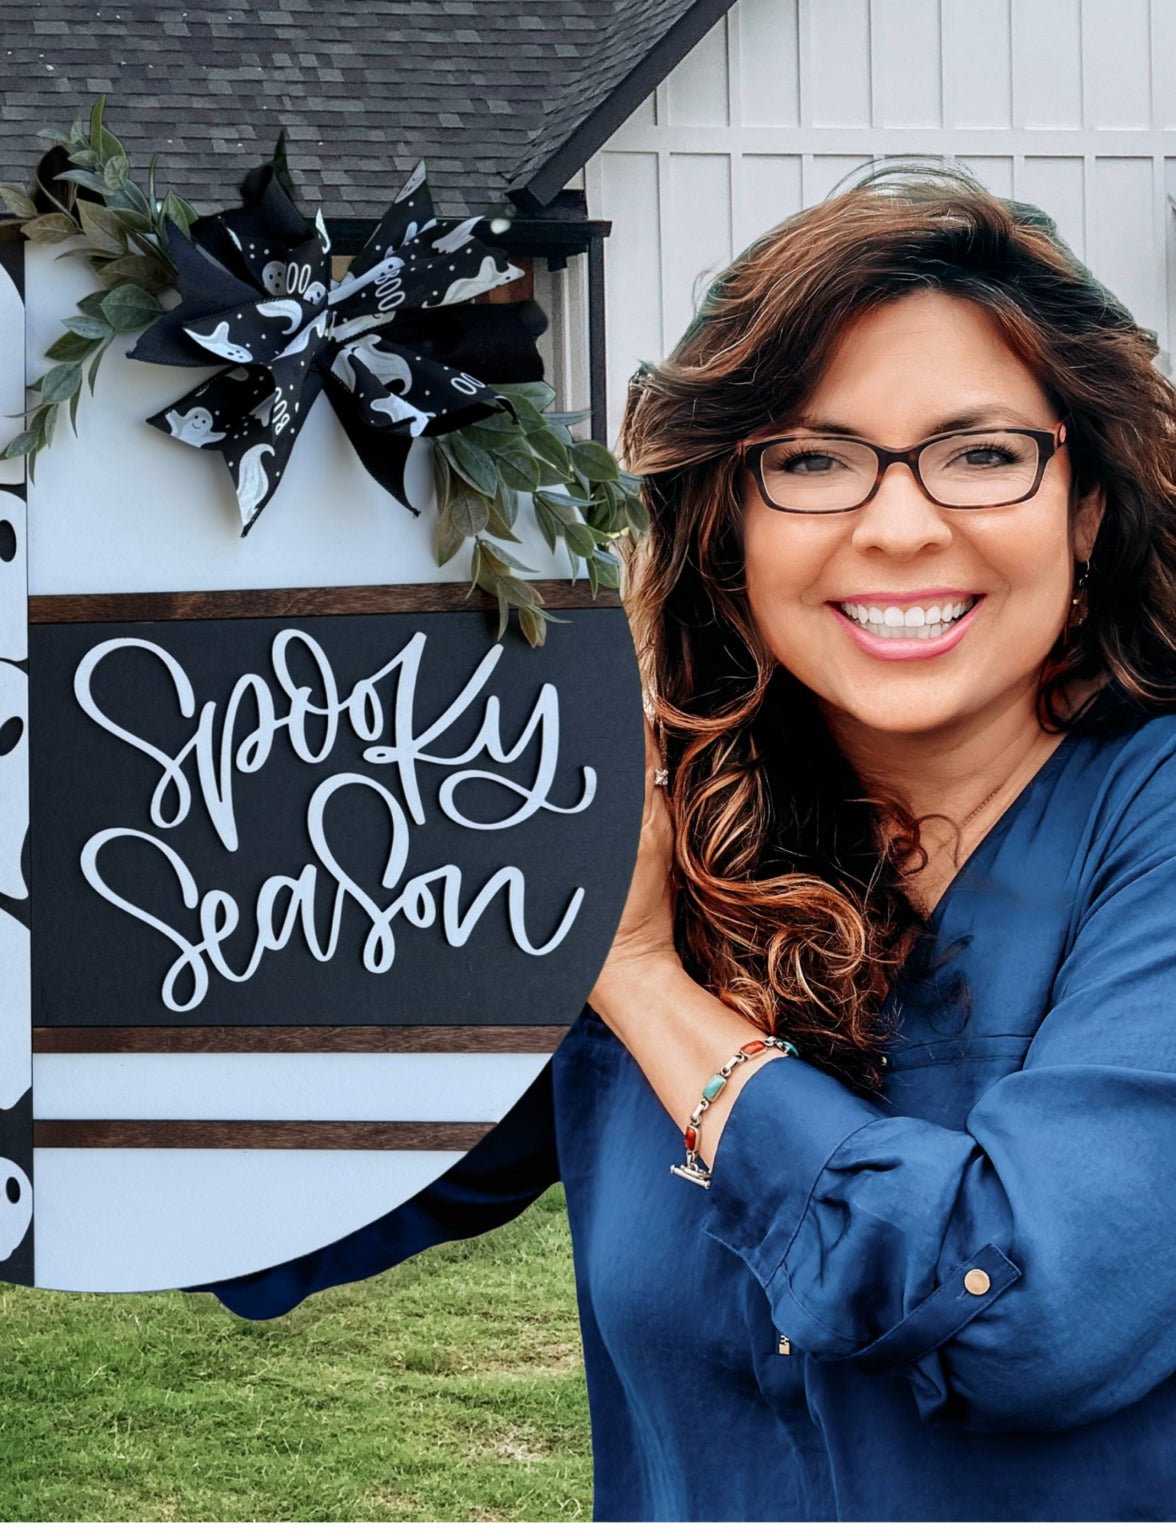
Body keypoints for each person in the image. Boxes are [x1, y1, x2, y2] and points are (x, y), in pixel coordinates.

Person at [202, 162, 1176, 1520]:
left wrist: (650, 986)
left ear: (1085, 509)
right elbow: (270, 1203)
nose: (900, 526)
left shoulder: (1149, 830)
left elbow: (1031, 1313)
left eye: (981, 453)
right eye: (814, 460)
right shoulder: (662, 822)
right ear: (730, 522)